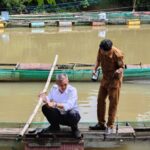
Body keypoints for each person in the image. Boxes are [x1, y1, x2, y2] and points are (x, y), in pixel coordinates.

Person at [89, 39, 124, 133]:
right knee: (100, 100)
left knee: (113, 103)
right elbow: (98, 60)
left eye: (104, 51)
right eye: (101, 50)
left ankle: (110, 125)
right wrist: (95, 69)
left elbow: (121, 67)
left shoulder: (117, 54)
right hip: (105, 78)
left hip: (114, 80)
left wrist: (118, 71)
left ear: (109, 50)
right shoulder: (100, 49)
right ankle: (101, 123)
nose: (102, 52)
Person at [39, 74, 81, 139]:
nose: (63, 87)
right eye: (61, 85)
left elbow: (69, 105)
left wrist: (55, 104)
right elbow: (48, 99)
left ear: (68, 81)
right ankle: (54, 126)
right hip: (59, 116)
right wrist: (44, 98)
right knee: (45, 108)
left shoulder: (72, 90)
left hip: (70, 117)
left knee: (72, 113)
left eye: (65, 84)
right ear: (57, 83)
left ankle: (75, 129)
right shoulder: (54, 88)